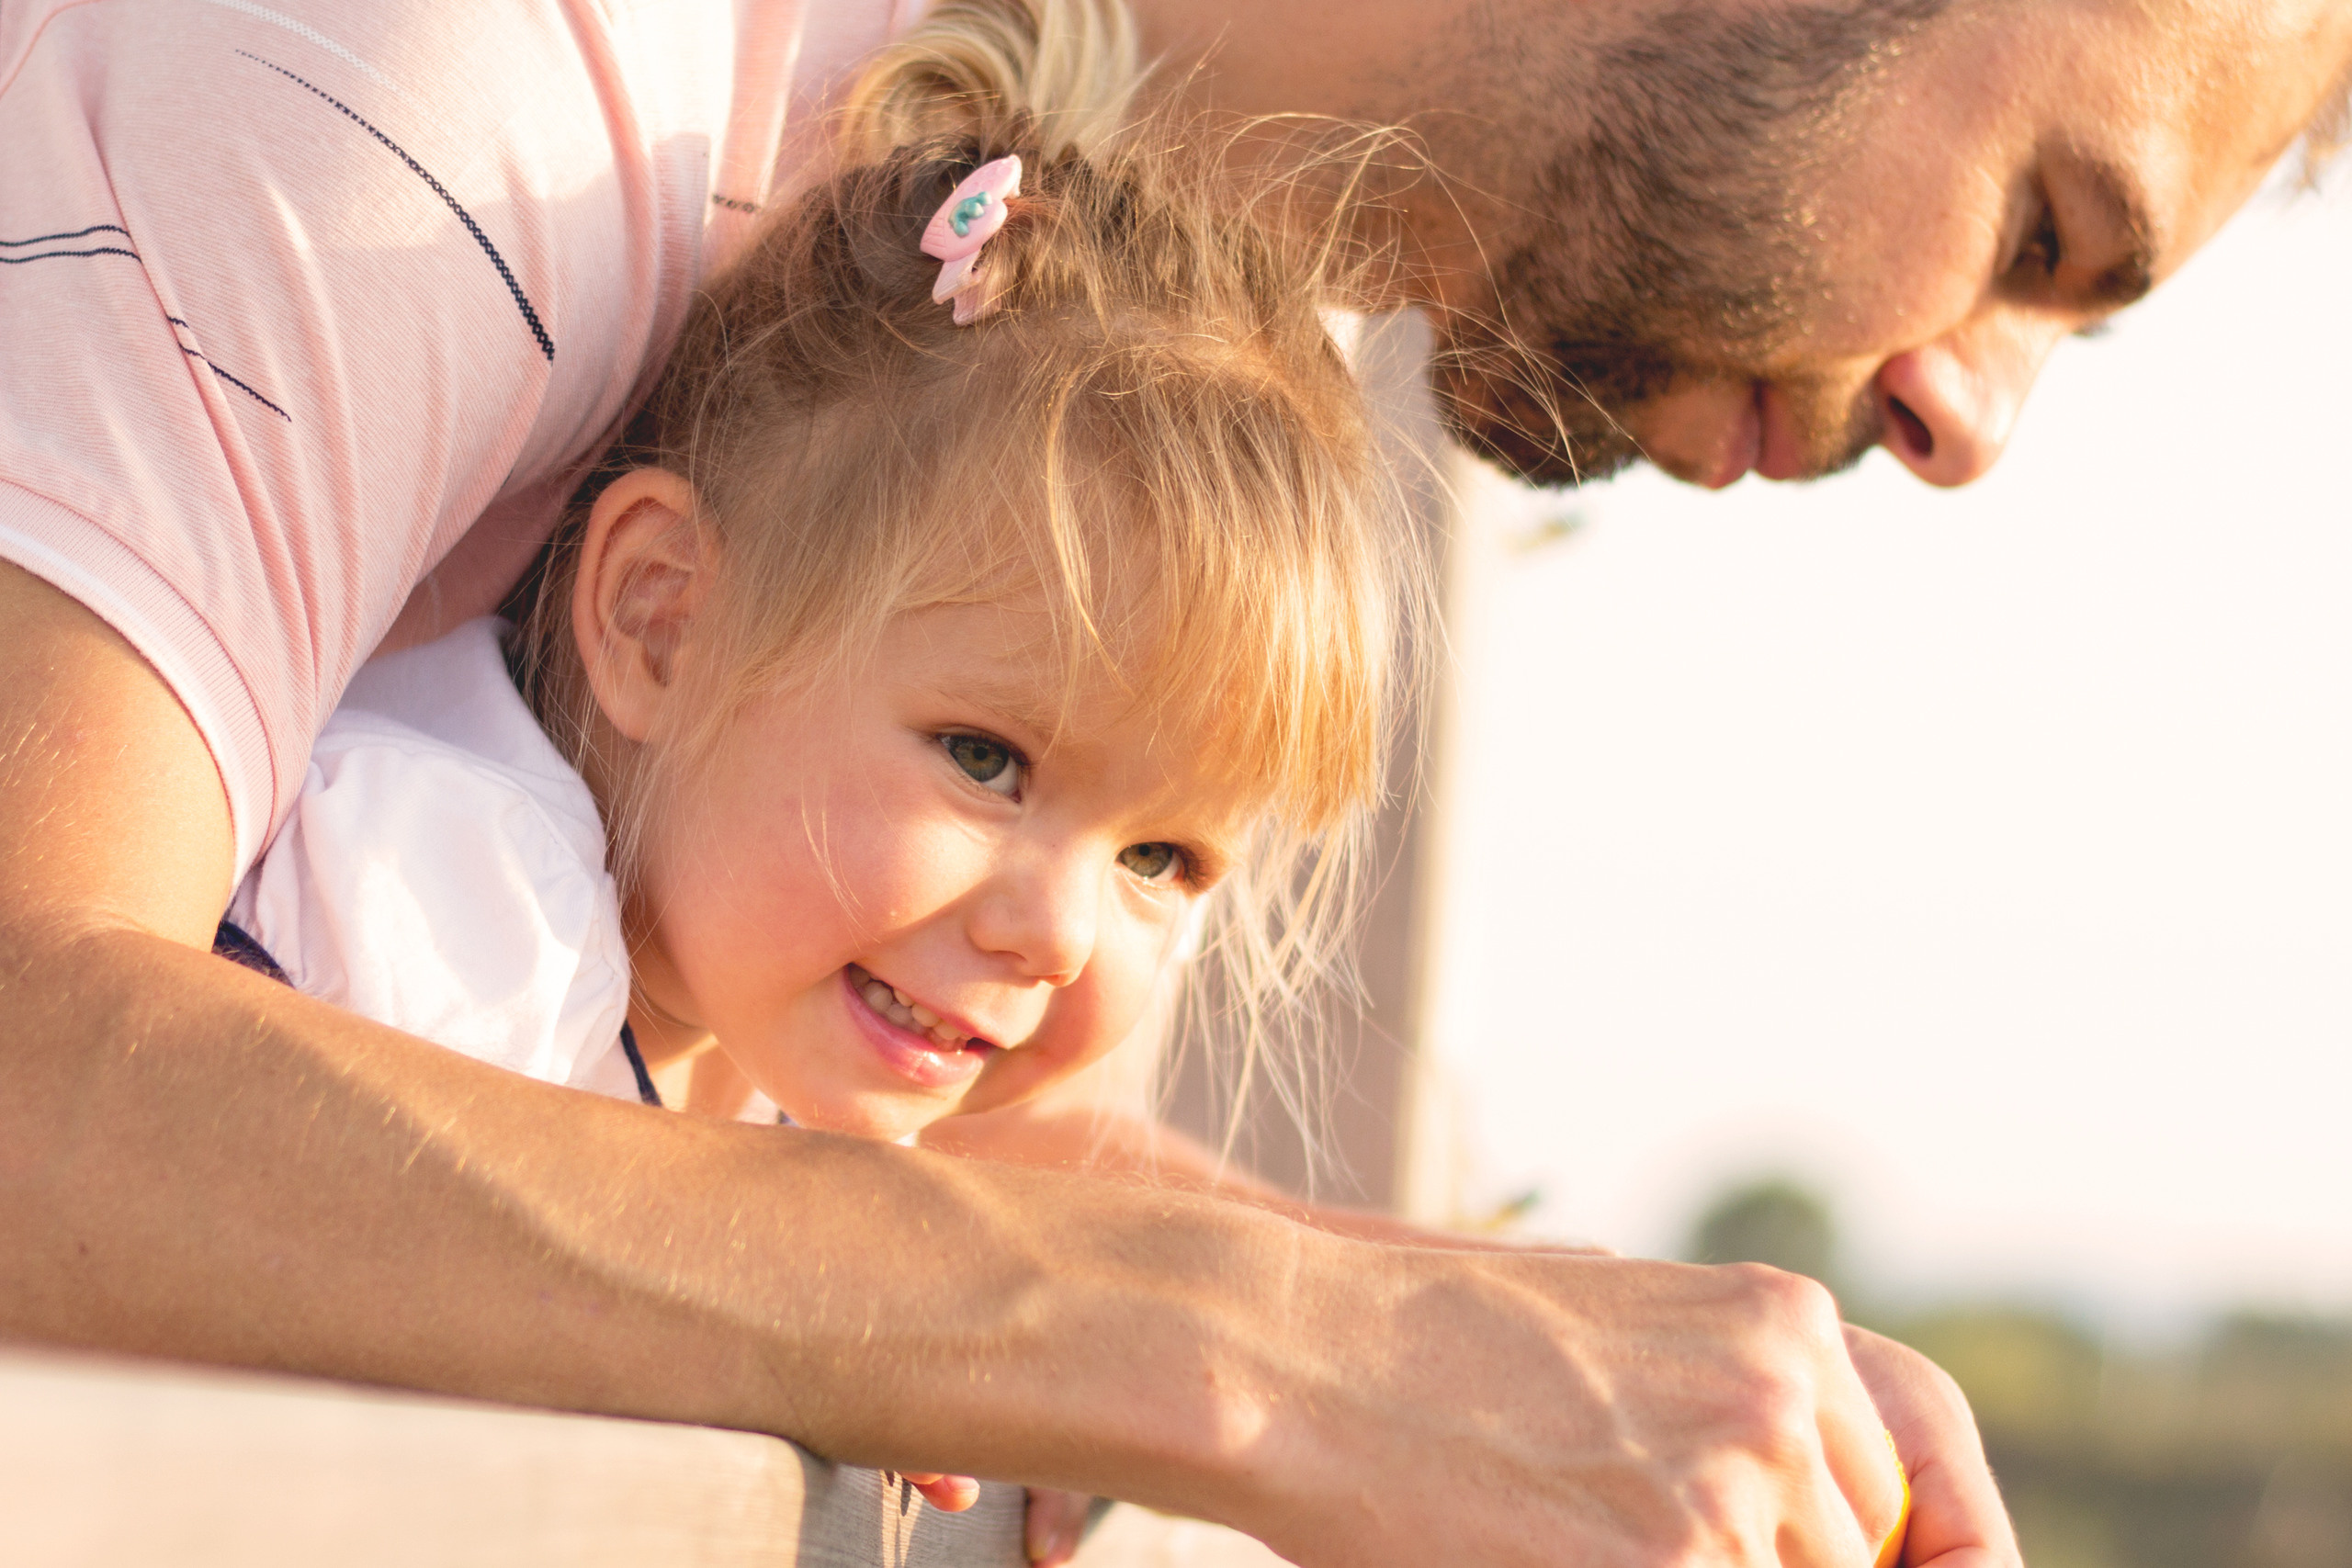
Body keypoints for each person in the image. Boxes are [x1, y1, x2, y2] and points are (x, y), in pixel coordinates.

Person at [0, 0, 2340, 1561]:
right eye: (2038, 229)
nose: (1972, 425)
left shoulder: (1088, 331)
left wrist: (1487, 1358)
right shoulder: (456, 79)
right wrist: (1215, 1352)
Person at [225, 45, 1414, 1559]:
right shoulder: (429, 912)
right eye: (987, 759)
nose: (1058, 933)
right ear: (663, 619)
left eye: (1163, 856)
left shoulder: (767, 1030)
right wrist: (857, 1309)